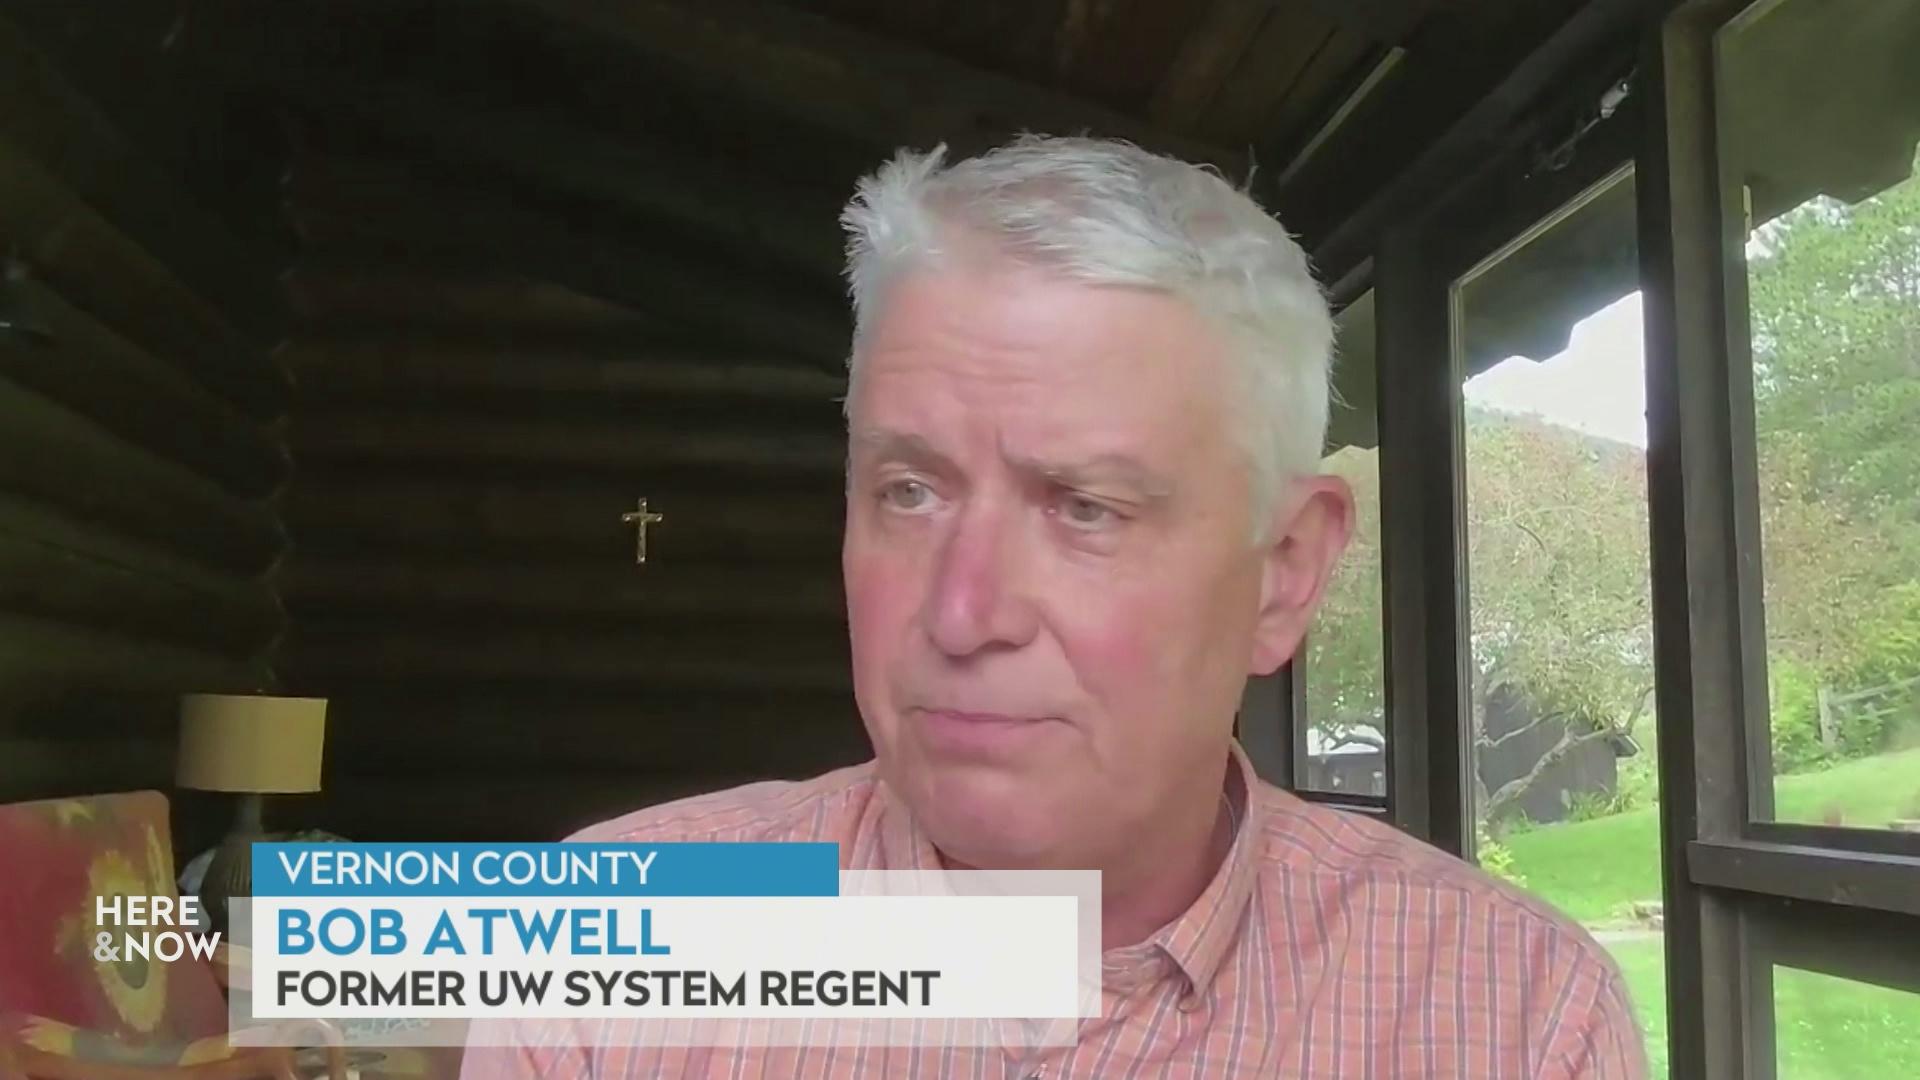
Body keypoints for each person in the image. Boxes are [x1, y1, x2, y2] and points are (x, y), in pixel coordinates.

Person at [461, 135, 1645, 1078]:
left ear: (1283, 570)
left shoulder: (1515, 1019)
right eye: (909, 490)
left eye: (1085, 507)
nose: (964, 615)